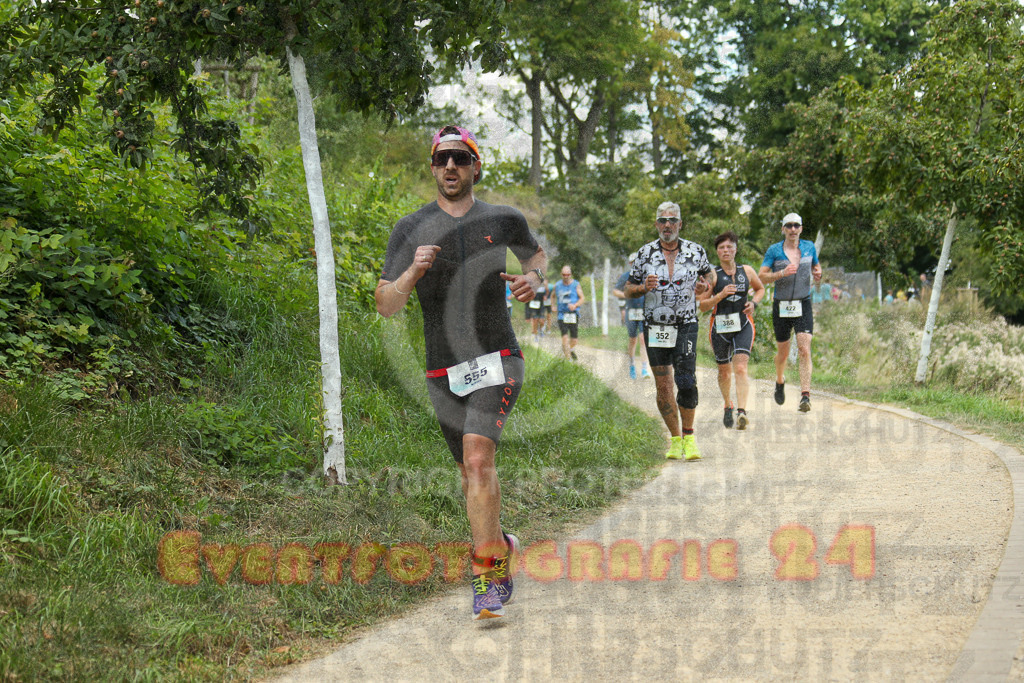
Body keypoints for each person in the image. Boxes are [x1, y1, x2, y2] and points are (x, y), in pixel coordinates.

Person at [375, 125, 547, 621]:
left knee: (477, 457)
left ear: (475, 166)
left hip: (498, 358)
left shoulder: (503, 218)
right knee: (471, 473)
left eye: (460, 158)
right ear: (433, 167)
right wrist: (412, 272)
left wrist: (534, 279)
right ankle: (501, 545)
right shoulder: (411, 228)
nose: (450, 166)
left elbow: (536, 255)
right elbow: (385, 304)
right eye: (441, 158)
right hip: (442, 371)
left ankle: (487, 580)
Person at [623, 201, 712, 461]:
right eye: (662, 220)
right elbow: (628, 289)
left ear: (680, 224)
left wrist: (705, 286)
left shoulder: (696, 251)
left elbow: (710, 275)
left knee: (686, 380)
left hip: (686, 323)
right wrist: (643, 287)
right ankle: (675, 440)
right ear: (656, 224)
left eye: (672, 220)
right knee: (663, 385)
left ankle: (689, 438)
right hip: (656, 326)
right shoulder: (645, 253)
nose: (667, 225)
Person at [698, 231, 765, 430]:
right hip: (720, 328)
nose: (726, 251)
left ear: (736, 249)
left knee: (741, 368)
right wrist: (720, 295)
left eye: (729, 247)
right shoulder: (712, 276)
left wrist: (754, 303)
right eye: (721, 248)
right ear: (717, 252)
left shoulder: (747, 271)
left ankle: (742, 412)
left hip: (743, 324)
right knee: (725, 372)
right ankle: (728, 404)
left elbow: (760, 289)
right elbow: (702, 305)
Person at [758, 212, 822, 413]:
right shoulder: (774, 250)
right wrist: (781, 273)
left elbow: (816, 266)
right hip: (782, 305)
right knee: (783, 353)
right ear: (783, 229)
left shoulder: (809, 247)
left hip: (803, 303)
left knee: (804, 347)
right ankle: (780, 380)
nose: (793, 229)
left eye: (796, 226)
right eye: (789, 226)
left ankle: (805, 395)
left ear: (801, 229)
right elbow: (762, 276)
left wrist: (818, 272)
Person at [613, 252, 650, 379]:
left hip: (644, 311)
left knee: (643, 339)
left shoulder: (647, 276)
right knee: (633, 340)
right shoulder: (626, 276)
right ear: (630, 264)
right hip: (631, 311)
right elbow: (615, 291)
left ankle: (644, 368)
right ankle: (632, 365)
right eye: (633, 262)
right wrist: (625, 295)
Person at [553, 265, 585, 361]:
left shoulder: (576, 285)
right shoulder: (557, 285)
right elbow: (552, 296)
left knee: (574, 340)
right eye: (564, 275)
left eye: (568, 274)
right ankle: (568, 360)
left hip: (573, 314)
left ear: (571, 274)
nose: (566, 276)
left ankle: (570, 349)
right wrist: (552, 306)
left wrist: (575, 305)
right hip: (562, 314)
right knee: (565, 338)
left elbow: (582, 298)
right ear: (561, 274)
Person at [525, 273, 547, 342]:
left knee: (541, 321)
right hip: (532, 306)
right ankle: (535, 335)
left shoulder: (542, 286)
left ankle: (540, 330)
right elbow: (527, 301)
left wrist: (545, 296)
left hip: (541, 305)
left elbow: (545, 295)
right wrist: (527, 316)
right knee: (535, 320)